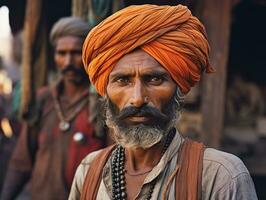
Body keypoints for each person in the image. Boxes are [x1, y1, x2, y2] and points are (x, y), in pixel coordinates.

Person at [69, 4, 258, 200]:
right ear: (105, 90)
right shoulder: (89, 171)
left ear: (178, 87)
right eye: (122, 80)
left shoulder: (219, 176)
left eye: (154, 79)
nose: (137, 99)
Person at [1, 17, 106, 200]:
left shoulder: (102, 104)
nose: (67, 62)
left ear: (88, 55)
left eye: (75, 53)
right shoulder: (44, 99)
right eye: (61, 53)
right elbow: (21, 161)